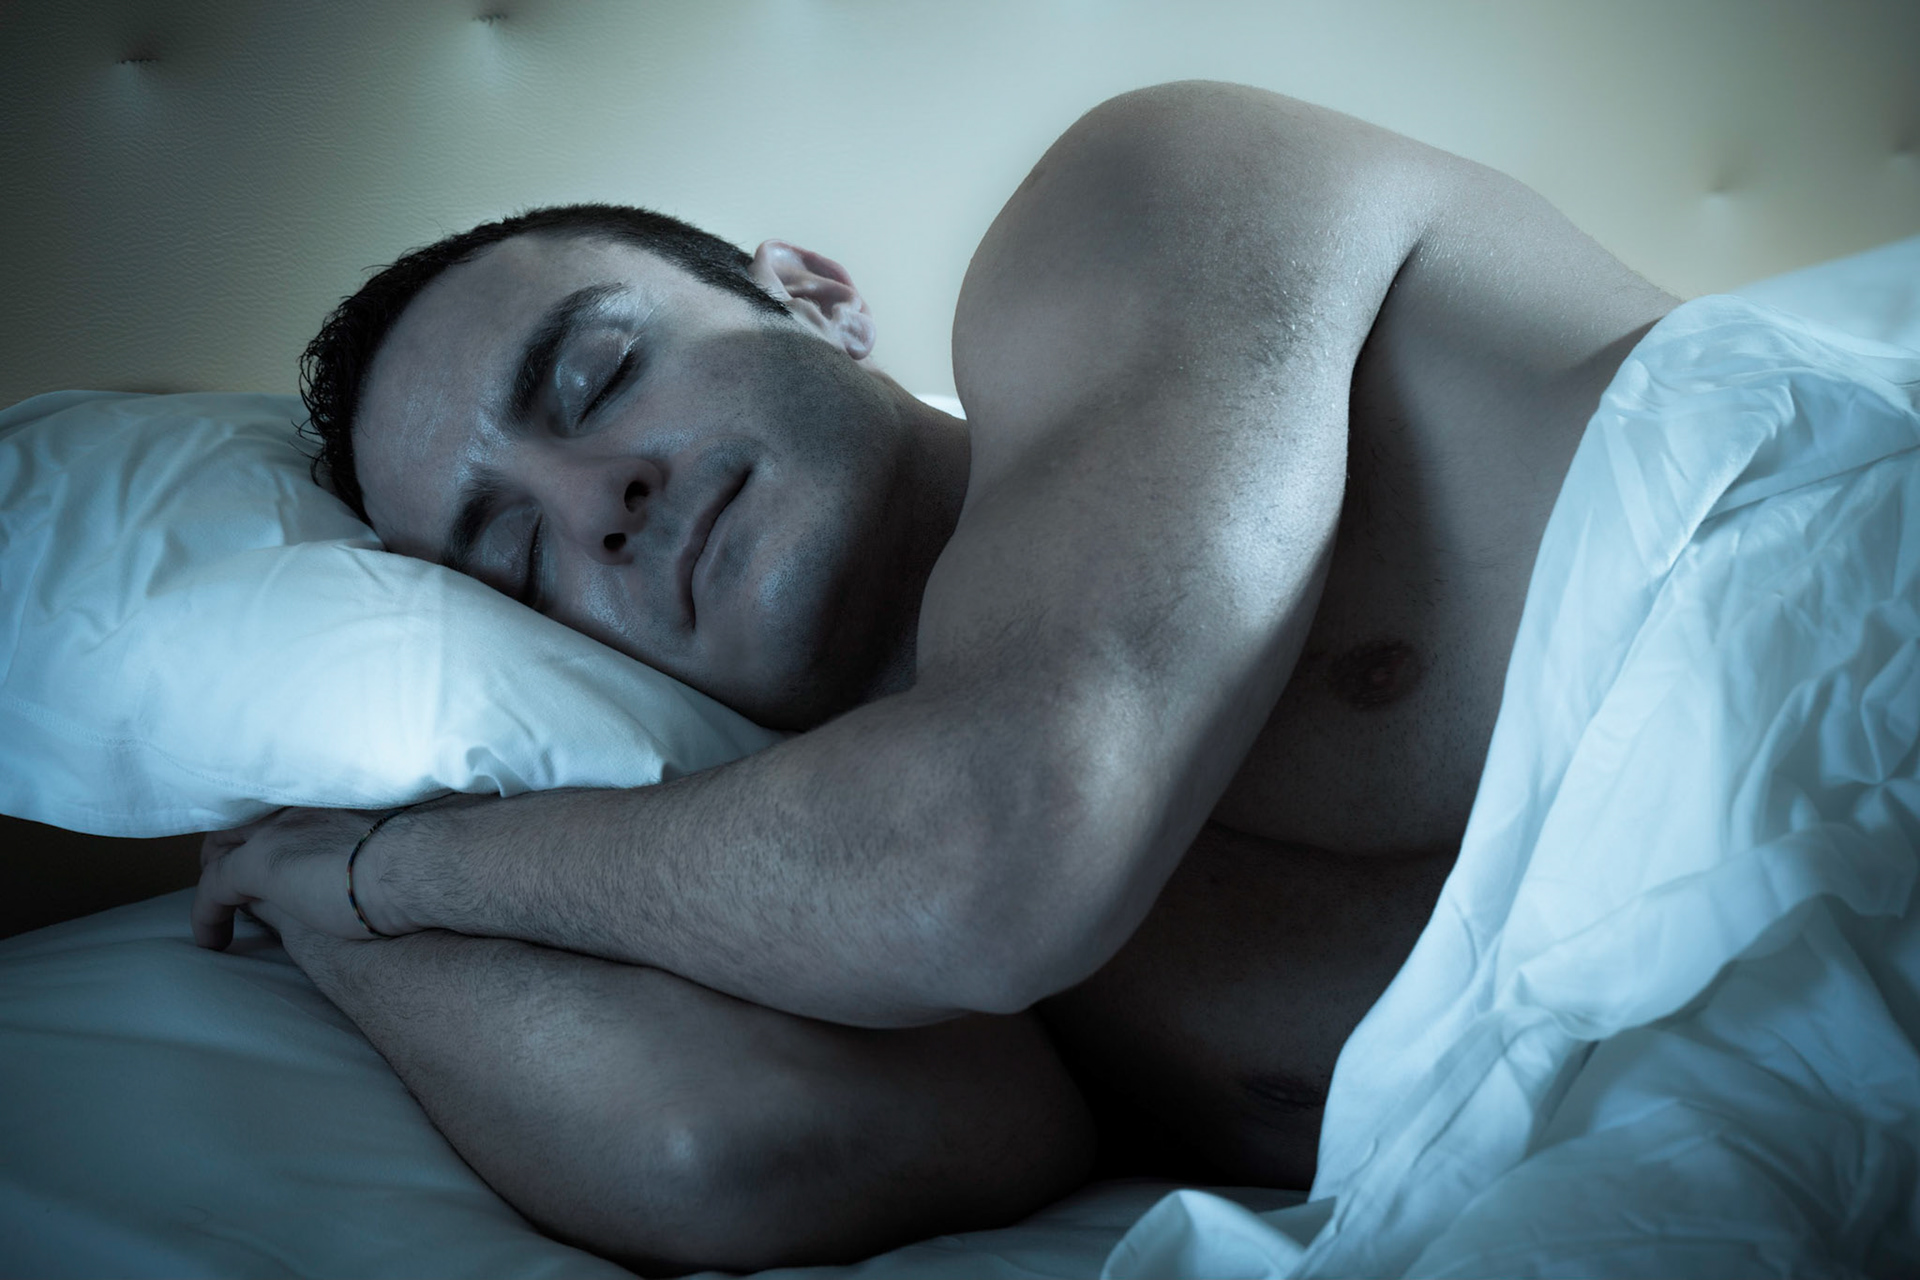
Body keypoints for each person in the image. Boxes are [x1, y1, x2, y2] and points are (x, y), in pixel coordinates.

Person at [192, 81, 1676, 1271]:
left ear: (813, 297)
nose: (598, 505)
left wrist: (404, 873)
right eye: (518, 560)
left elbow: (983, 851)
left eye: (598, 378)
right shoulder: (819, 892)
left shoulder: (1139, 203)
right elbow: (725, 1150)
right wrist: (319, 896)